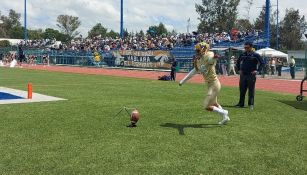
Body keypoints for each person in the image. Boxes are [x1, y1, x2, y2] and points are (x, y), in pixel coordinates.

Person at [179, 42, 229, 125]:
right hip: (209, 84)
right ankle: (225, 117)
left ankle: (224, 113)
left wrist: (215, 58)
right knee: (215, 103)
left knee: (206, 106)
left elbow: (210, 60)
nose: (196, 52)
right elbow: (193, 71)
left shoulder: (209, 55)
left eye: (198, 50)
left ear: (204, 49)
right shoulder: (199, 60)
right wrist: (182, 81)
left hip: (214, 84)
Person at [235, 42, 264, 110]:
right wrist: (239, 70)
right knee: (242, 90)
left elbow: (262, 63)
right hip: (243, 75)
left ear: (251, 47)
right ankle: (241, 103)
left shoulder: (255, 55)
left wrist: (257, 71)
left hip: (251, 75)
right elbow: (238, 62)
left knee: (251, 90)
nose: (246, 49)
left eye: (247, 47)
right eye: (245, 47)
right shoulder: (242, 54)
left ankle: (251, 104)